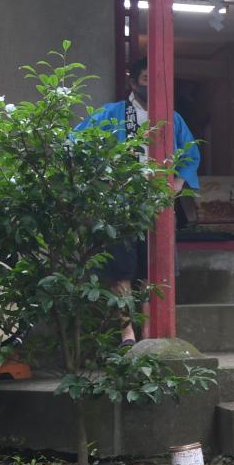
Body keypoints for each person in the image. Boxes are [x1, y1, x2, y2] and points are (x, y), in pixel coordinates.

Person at [75, 56, 200, 345]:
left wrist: (177, 183)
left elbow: (191, 154)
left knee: (151, 270)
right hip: (120, 202)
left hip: (157, 203)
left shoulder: (172, 118)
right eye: (146, 81)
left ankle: (148, 333)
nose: (151, 87)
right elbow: (77, 141)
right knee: (121, 271)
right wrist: (102, 178)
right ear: (133, 82)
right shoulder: (112, 113)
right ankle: (126, 332)